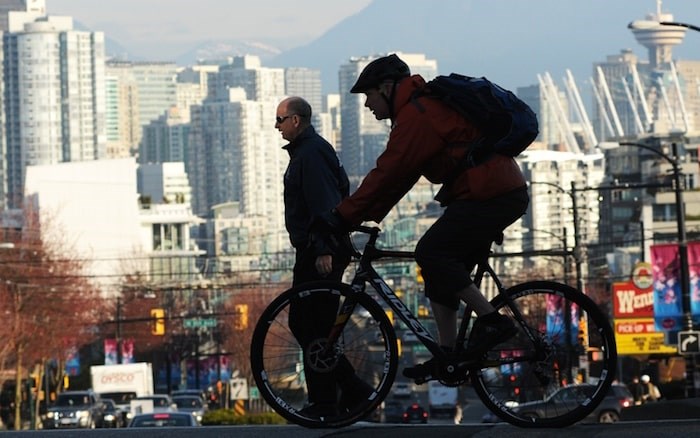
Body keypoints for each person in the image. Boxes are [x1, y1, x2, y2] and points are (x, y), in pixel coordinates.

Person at [314, 54, 529, 381]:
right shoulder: (417, 111)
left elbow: (388, 172)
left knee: (431, 252)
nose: (367, 105)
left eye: (369, 95)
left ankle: (493, 321)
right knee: (438, 270)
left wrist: (341, 217)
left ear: (386, 88)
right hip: (487, 192)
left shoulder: (418, 115)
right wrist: (363, 216)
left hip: (491, 193)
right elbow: (401, 178)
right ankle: (448, 354)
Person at [277, 96, 371, 416]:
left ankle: (331, 398)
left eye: (280, 119)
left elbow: (324, 203)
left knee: (310, 324)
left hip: (320, 250)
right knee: (312, 325)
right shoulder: (307, 151)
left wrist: (323, 249)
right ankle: (340, 393)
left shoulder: (312, 153)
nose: (276, 126)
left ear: (296, 120)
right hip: (315, 248)